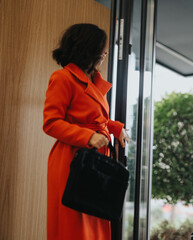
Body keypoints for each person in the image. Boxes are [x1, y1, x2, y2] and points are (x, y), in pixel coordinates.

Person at [43, 23, 129, 240]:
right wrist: (88, 136)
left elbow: (95, 118)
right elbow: (51, 122)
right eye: (102, 47)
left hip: (94, 160)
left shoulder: (92, 80)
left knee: (95, 218)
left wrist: (115, 127)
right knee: (74, 226)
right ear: (87, 48)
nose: (106, 52)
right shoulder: (62, 78)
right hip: (72, 160)